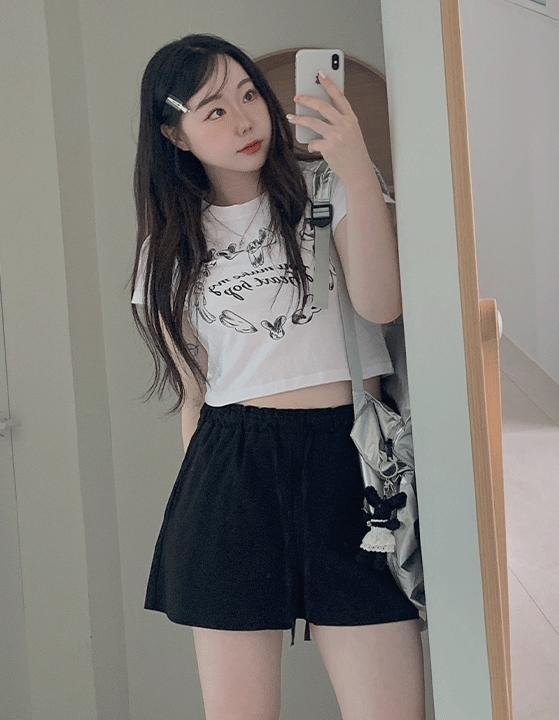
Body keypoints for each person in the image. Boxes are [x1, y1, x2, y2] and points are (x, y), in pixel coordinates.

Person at [131, 33, 426, 720]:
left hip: (352, 460)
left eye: (248, 95)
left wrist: (355, 168)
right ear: (174, 134)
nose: (243, 120)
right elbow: (195, 395)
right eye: (214, 110)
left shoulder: (331, 189)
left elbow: (382, 305)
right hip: (232, 470)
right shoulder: (168, 249)